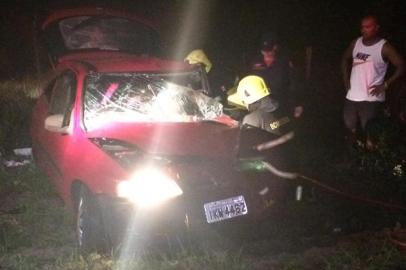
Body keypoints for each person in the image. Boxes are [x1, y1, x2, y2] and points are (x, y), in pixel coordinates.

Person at [341, 15, 404, 149]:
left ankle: (371, 163)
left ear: (376, 28)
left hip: (371, 100)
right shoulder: (356, 43)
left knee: (370, 135)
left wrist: (385, 84)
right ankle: (351, 158)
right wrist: (346, 81)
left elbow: (401, 66)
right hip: (352, 97)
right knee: (349, 129)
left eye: (368, 26)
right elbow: (344, 59)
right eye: (362, 27)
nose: (364, 30)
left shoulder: (384, 47)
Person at [250, 34, 304, 119]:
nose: (266, 53)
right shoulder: (255, 62)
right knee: (259, 126)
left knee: (279, 126)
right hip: (261, 104)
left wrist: (298, 104)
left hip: (282, 104)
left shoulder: (284, 61)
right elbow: (251, 81)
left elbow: (294, 83)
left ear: (275, 47)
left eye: (269, 50)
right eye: (264, 50)